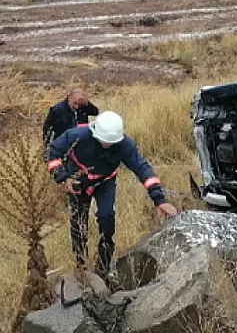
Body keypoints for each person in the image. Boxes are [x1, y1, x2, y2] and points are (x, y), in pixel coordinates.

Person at [46, 110, 178, 277]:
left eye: (111, 143)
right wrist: (63, 178)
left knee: (107, 218)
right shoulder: (76, 135)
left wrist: (159, 199)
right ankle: (81, 267)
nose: (107, 145)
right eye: (104, 142)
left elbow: (142, 168)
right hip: (78, 184)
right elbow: (53, 152)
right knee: (78, 226)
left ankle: (103, 268)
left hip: (105, 183)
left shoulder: (125, 145)